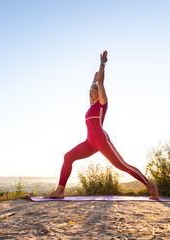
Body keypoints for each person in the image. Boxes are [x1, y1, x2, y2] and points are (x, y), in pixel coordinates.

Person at [44, 50, 160, 200]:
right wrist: (92, 80)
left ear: (99, 93)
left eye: (92, 92)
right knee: (68, 157)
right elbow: (94, 85)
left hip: (101, 140)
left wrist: (102, 64)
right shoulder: (91, 107)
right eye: (89, 92)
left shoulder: (101, 104)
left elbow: (100, 83)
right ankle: (60, 191)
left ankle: (150, 185)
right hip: (90, 142)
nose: (90, 94)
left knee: (122, 165)